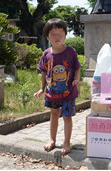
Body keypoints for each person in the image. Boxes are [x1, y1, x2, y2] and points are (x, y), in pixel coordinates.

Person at [34, 18, 82, 155]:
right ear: (47, 36)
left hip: (69, 93)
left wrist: (76, 80)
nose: (57, 37)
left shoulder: (70, 51)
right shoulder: (46, 54)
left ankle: (66, 142)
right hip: (52, 93)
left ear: (65, 35)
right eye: (53, 34)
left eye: (60, 33)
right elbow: (44, 73)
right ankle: (52, 139)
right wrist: (41, 89)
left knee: (67, 116)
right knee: (54, 114)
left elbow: (77, 68)